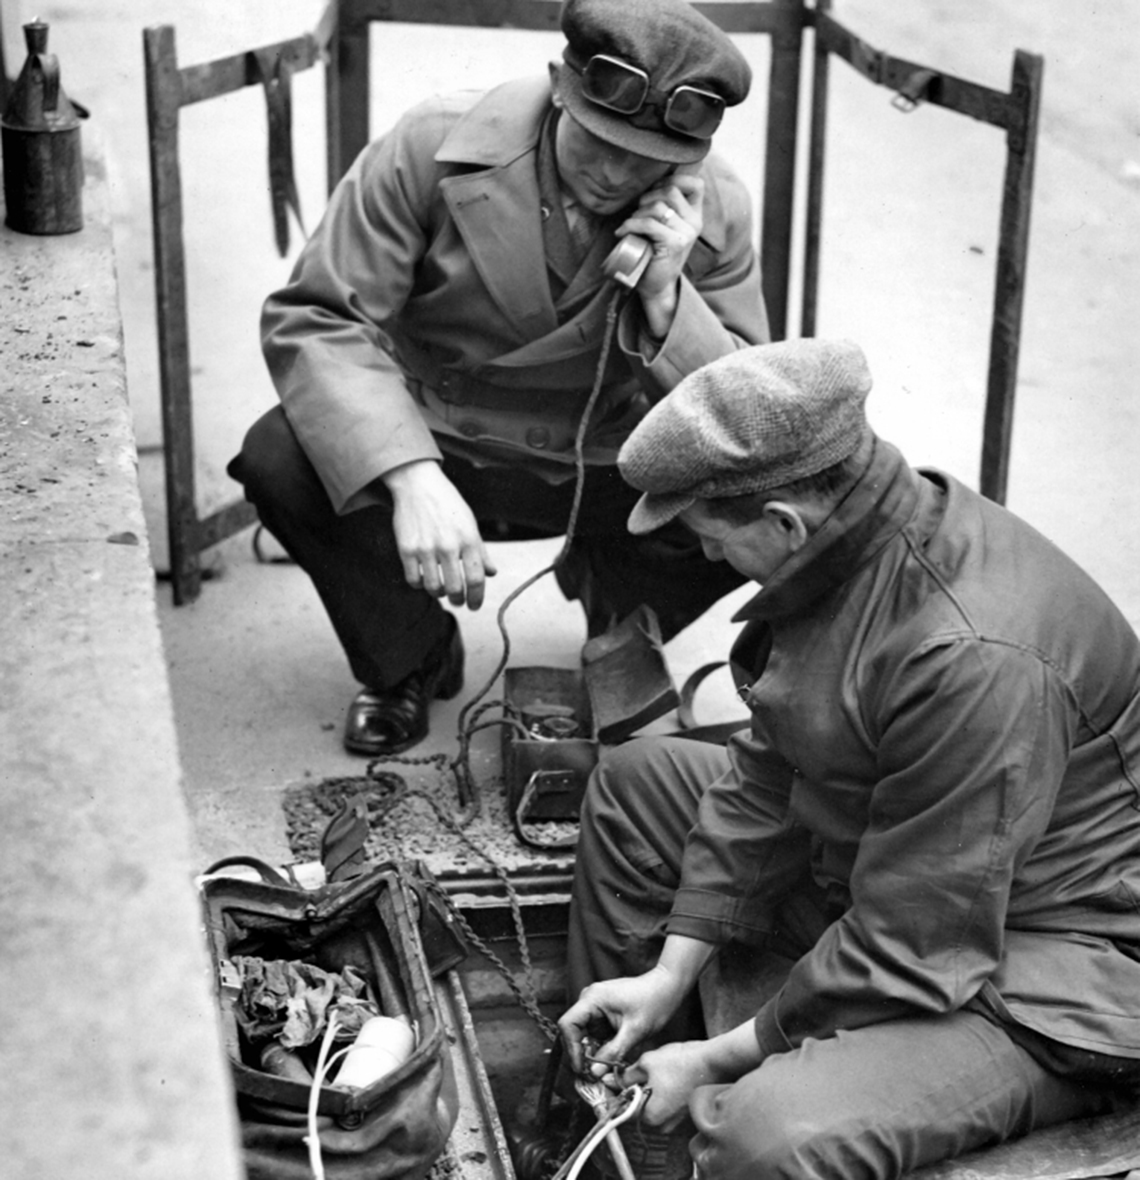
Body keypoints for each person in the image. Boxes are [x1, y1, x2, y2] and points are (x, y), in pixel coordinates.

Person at [558, 339, 1140, 1180]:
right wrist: (671, 967)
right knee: (639, 783)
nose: (712, 559)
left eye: (711, 538)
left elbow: (914, 940)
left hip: (1056, 959)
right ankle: (629, 1125)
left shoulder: (970, 656)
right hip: (909, 861)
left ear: (783, 521)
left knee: (767, 1138)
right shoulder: (851, 541)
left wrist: (725, 1057)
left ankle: (698, 1114)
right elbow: (770, 763)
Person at [227, 0, 769, 757]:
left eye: (646, 157)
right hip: (443, 437)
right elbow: (318, 317)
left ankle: (622, 622)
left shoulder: (715, 210)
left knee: (772, 484)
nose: (614, 174)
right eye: (599, 141)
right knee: (281, 455)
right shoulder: (432, 144)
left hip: (607, 462)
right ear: (558, 88)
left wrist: (667, 295)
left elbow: (742, 410)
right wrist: (409, 474)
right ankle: (410, 657)